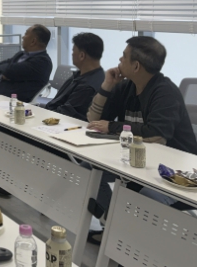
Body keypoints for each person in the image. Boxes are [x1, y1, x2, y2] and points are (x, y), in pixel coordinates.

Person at [84, 36, 197, 242]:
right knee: (89, 169)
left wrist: (112, 126)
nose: (120, 59)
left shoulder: (165, 92)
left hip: (177, 174)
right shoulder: (125, 87)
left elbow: (156, 135)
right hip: (140, 164)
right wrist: (107, 85)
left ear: (136, 66)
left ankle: (126, 239)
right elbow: (93, 119)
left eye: (124, 56)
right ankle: (116, 228)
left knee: (144, 199)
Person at [44, 32, 105, 120]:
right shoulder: (80, 75)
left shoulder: (88, 87)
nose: (72, 54)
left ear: (81, 56)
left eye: (73, 51)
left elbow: (64, 114)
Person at [0, 25, 53, 102]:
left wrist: (6, 72)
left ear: (33, 41)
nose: (23, 37)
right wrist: (3, 75)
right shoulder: (21, 54)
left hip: (10, 101)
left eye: (26, 34)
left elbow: (10, 71)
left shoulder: (42, 62)